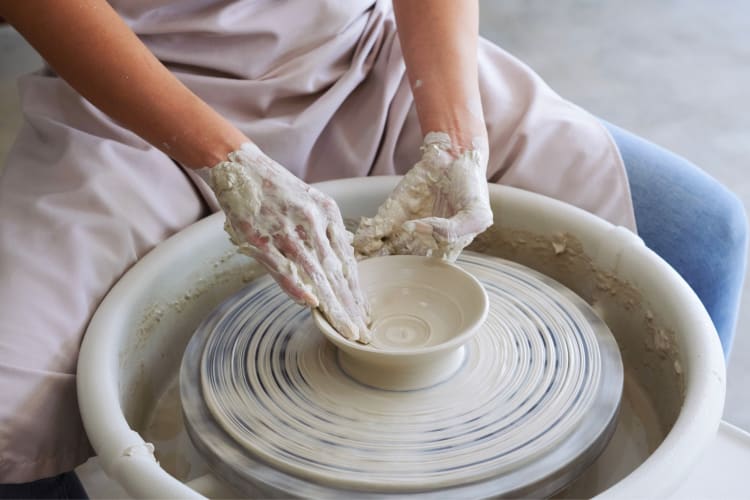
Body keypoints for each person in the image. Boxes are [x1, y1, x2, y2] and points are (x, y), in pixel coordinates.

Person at [0, 0, 745, 497]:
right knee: (8, 409)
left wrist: (456, 134)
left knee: (699, 236)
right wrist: (224, 160)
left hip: (366, 63)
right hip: (134, 102)